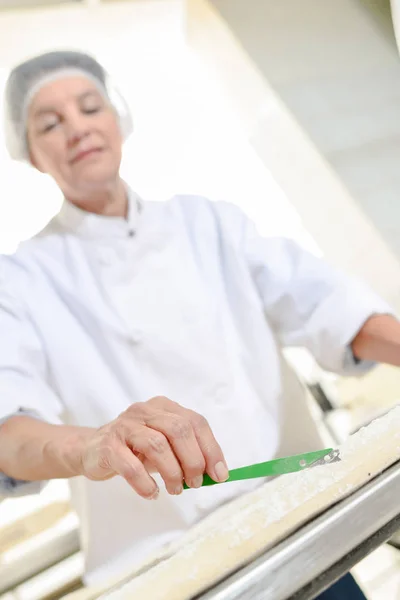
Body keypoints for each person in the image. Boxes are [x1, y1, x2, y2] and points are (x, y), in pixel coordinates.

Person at [0, 51, 398, 598]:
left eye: (90, 107)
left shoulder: (209, 223)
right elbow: (9, 430)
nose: (77, 128)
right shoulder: (21, 280)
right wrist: (92, 444)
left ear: (117, 118)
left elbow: (330, 306)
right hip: (171, 575)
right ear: (30, 154)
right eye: (50, 122)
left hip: (296, 531)